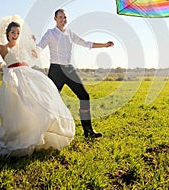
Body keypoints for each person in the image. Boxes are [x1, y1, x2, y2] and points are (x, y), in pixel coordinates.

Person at [0, 15, 75, 157]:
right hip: (14, 78)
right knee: (19, 111)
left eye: (18, 33)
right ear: (7, 34)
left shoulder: (22, 47)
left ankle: (41, 133)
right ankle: (22, 140)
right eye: (13, 32)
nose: (15, 35)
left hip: (29, 76)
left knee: (39, 103)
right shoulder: (3, 49)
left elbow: (34, 54)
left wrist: (33, 43)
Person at [37, 9, 114, 138]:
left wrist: (104, 45)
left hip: (69, 70)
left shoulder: (70, 33)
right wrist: (32, 50)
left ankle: (88, 130)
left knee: (84, 96)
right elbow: (40, 46)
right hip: (56, 70)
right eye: (60, 17)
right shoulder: (50, 33)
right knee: (49, 101)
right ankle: (41, 131)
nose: (63, 19)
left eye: (65, 17)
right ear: (55, 19)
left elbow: (85, 43)